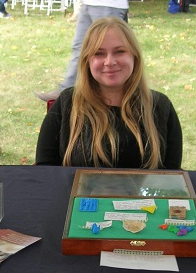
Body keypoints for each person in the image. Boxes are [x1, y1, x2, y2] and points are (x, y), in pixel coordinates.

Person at [35, 17, 183, 169]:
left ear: (135, 56)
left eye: (119, 51)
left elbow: (172, 176)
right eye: (99, 53)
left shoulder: (160, 106)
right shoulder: (67, 103)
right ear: (87, 61)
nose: (109, 62)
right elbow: (45, 172)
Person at [34, 0, 129, 102]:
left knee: (108, 56)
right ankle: (66, 93)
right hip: (89, 3)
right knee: (80, 48)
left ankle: (114, 98)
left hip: (108, 5)